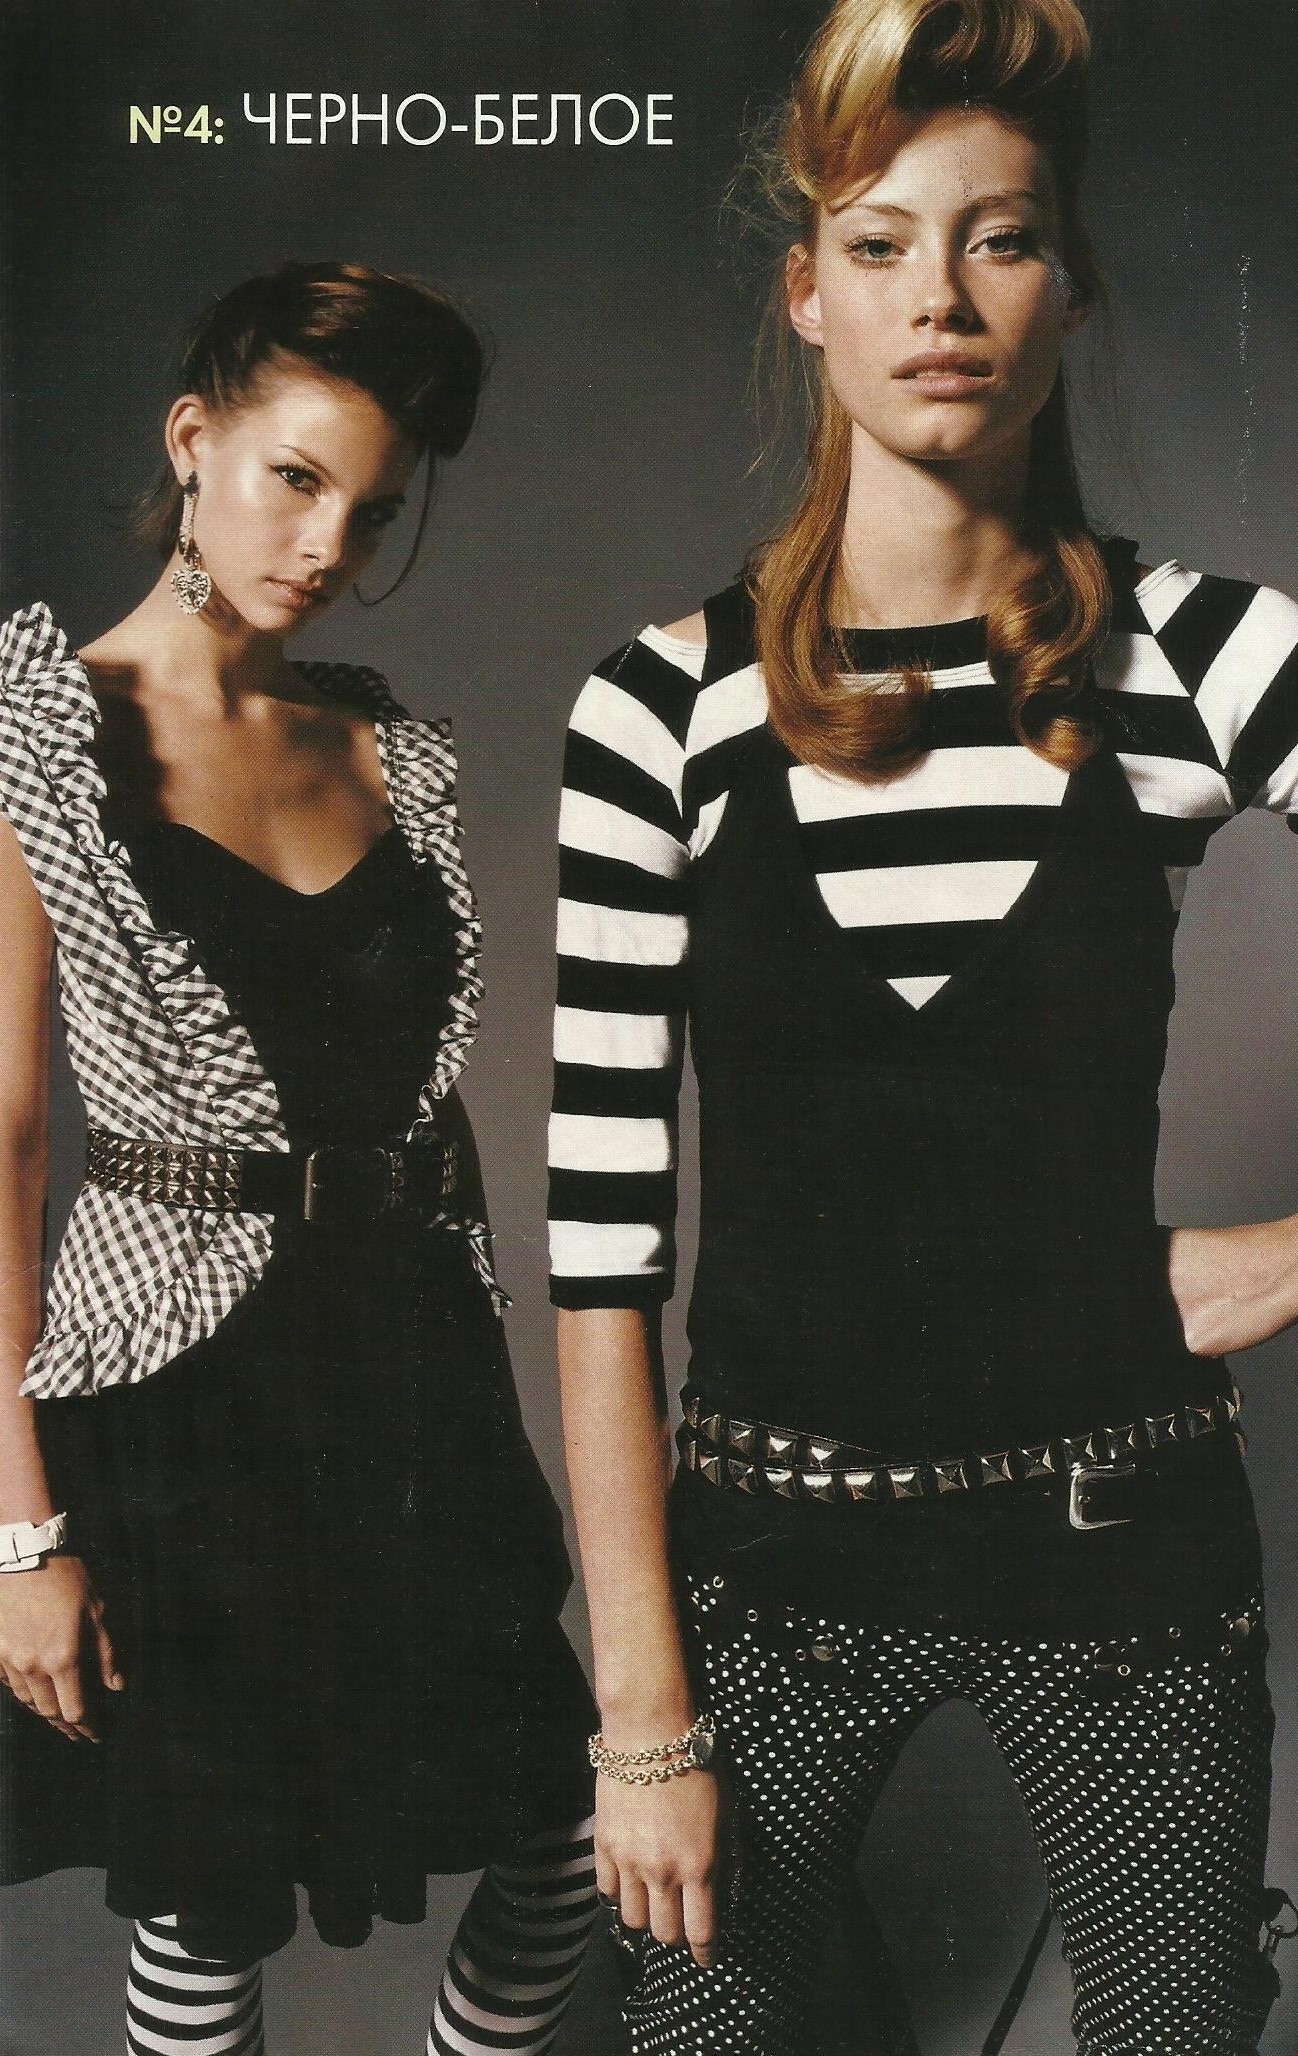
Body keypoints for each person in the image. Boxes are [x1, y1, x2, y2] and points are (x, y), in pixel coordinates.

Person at [547, 3, 1298, 2052]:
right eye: (881, 243)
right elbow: (599, 1252)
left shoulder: (1209, 658)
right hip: (765, 1572)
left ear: (1069, 288)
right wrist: (642, 1714)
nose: (942, 297)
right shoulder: (660, 711)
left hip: (1118, 1557)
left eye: (1000, 239)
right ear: (807, 292)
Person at [0, 262, 598, 2056]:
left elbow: (428, 1093)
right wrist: (18, 1530)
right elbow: (3, 1144)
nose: (331, 543)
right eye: (295, 478)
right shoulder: (41, 737)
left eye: (376, 508)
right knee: (205, 1903)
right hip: (180, 1388)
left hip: (406, 1371)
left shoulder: (387, 747)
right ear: (193, 442)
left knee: (571, 1841)